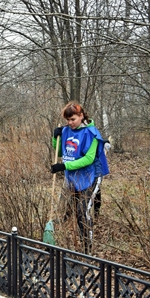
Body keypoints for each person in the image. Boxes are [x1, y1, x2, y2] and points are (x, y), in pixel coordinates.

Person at [51, 101, 109, 254]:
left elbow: (88, 159)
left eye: (73, 119)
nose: (70, 123)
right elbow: (60, 153)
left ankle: (86, 250)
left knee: (82, 211)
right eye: (67, 120)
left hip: (91, 175)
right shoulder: (66, 131)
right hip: (73, 176)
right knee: (65, 210)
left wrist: (64, 166)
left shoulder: (92, 133)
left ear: (81, 116)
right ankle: (59, 241)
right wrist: (55, 137)